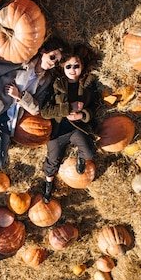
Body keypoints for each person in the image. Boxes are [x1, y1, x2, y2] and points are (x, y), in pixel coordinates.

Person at [0, 37, 66, 182]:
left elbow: (36, 109)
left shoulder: (45, 80)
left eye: (57, 62)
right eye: (53, 57)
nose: (53, 63)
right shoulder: (21, 62)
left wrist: (20, 96)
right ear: (42, 51)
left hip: (8, 119)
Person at [40, 44, 99, 203]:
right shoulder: (56, 85)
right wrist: (67, 109)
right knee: (53, 160)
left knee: (89, 153)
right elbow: (45, 111)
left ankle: (79, 155)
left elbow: (94, 106)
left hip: (77, 127)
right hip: (59, 129)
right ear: (63, 68)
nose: (73, 69)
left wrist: (82, 114)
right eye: (68, 66)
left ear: (82, 67)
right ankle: (48, 184)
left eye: (76, 66)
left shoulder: (87, 85)